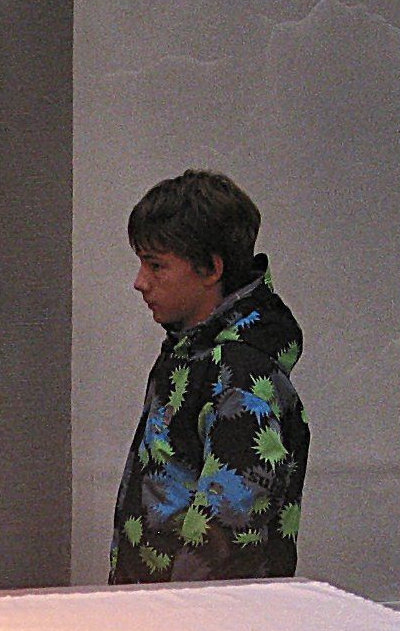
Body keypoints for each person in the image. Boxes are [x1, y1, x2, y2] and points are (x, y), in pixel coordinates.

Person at [108, 169, 308, 583]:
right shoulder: (190, 352)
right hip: (159, 609)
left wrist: (170, 612)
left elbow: (226, 537)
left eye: (156, 266)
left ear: (211, 268)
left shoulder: (242, 374)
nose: (140, 282)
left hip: (199, 614)